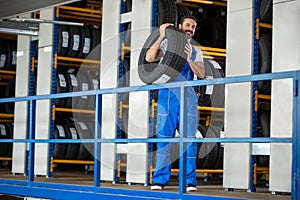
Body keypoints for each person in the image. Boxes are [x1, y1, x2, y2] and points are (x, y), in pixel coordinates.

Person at [145, 16, 205, 192]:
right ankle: (160, 180)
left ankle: (189, 181)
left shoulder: (195, 51)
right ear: (179, 27)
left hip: (188, 97)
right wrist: (162, 35)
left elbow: (200, 74)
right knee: (164, 137)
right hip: (168, 95)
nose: (190, 29)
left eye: (193, 26)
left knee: (189, 139)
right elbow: (149, 57)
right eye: (187, 25)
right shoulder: (167, 46)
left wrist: (188, 59)